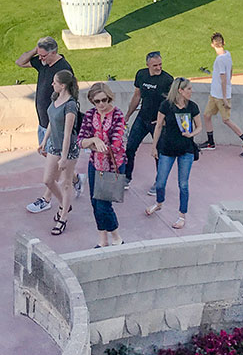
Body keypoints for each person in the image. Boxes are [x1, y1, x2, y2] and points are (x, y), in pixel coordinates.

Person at [16, 37, 80, 212]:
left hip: (55, 126)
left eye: (44, 55)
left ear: (53, 52)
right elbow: (20, 62)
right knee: (51, 158)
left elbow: (68, 99)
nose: (40, 58)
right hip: (44, 122)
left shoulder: (63, 69)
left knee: (54, 166)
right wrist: (35, 50)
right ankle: (74, 177)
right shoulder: (43, 62)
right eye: (40, 55)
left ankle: (47, 198)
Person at [147, 77, 203, 229]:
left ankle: (181, 215)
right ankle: (159, 203)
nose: (191, 92)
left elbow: (199, 126)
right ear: (180, 90)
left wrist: (192, 134)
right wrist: (154, 147)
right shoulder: (166, 105)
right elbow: (158, 126)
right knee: (160, 181)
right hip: (167, 149)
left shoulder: (192, 107)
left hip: (186, 150)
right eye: (189, 89)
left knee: (183, 184)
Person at [79, 82, 126, 246]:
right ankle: (103, 240)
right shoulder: (90, 115)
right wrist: (94, 140)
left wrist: (91, 145)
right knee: (94, 203)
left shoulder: (118, 115)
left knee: (103, 206)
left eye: (104, 100)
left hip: (112, 167)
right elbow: (80, 140)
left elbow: (115, 145)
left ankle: (116, 237)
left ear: (109, 98)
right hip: (95, 164)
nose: (101, 104)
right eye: (97, 101)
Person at [123, 49, 173, 193]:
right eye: (155, 65)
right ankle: (127, 177)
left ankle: (159, 183)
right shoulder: (141, 74)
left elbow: (172, 103)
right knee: (130, 148)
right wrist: (128, 115)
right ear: (147, 65)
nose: (158, 68)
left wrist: (164, 122)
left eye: (160, 65)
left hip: (157, 122)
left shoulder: (167, 80)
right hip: (142, 118)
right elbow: (137, 96)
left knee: (159, 153)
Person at [199, 32, 243, 156]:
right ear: (223, 43)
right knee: (207, 115)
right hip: (214, 94)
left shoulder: (220, 60)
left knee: (226, 120)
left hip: (220, 96)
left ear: (212, 45)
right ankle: (210, 142)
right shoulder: (228, 55)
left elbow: (224, 79)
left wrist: (224, 97)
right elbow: (230, 71)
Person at [39, 68, 80, 237]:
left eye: (55, 82)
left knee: (66, 182)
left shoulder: (70, 106)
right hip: (53, 146)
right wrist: (44, 141)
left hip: (67, 149)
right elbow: (51, 122)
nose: (52, 84)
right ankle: (64, 203)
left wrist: (64, 158)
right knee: (48, 180)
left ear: (62, 86)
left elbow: (67, 134)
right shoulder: (55, 98)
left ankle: (63, 217)